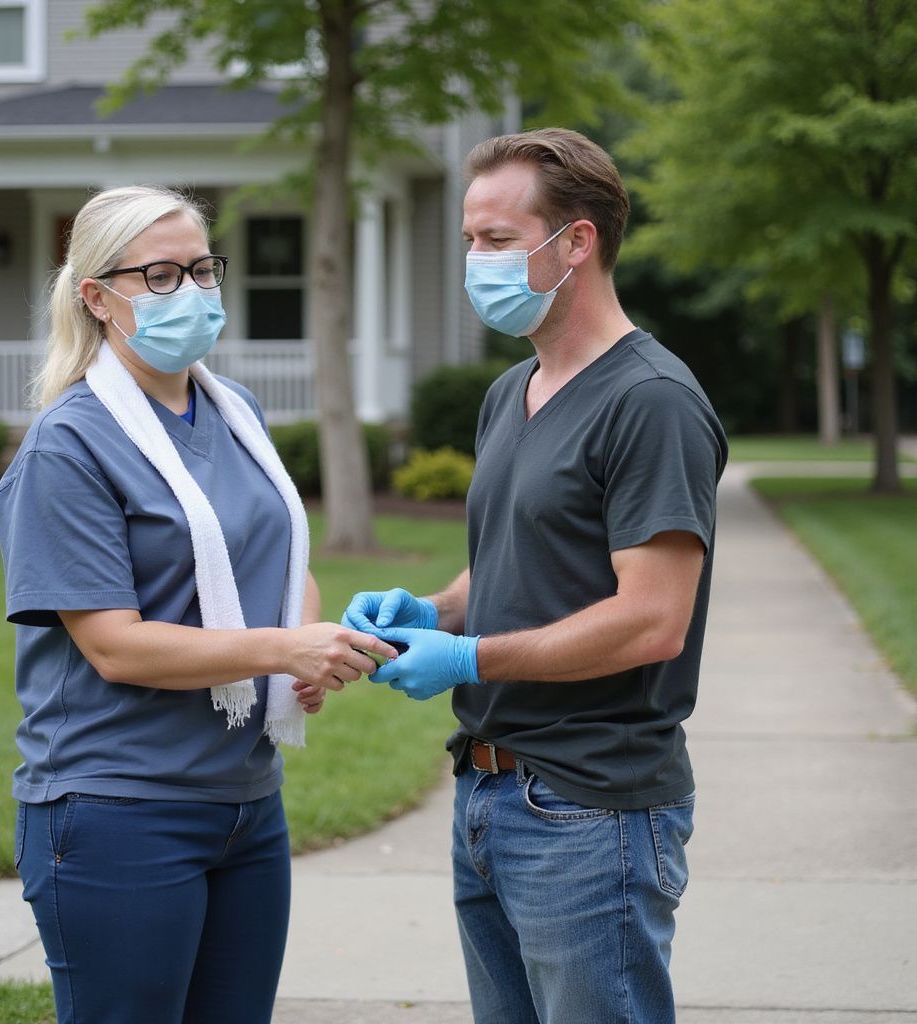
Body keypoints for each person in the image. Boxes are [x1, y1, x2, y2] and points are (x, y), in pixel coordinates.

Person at [343, 128, 728, 1023]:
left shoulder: (652, 402)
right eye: (469, 239)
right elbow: (512, 562)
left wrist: (469, 660)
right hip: (486, 797)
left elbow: (653, 620)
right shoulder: (511, 390)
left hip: (591, 814)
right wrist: (430, 608)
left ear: (577, 243)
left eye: (497, 240)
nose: (474, 260)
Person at [0, 184, 397, 1024]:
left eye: (203, 269)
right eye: (162, 275)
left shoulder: (232, 408)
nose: (195, 291)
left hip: (247, 807)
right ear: (98, 298)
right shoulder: (67, 446)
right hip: (117, 811)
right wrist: (282, 653)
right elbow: (115, 647)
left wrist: (309, 652)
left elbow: (284, 562)